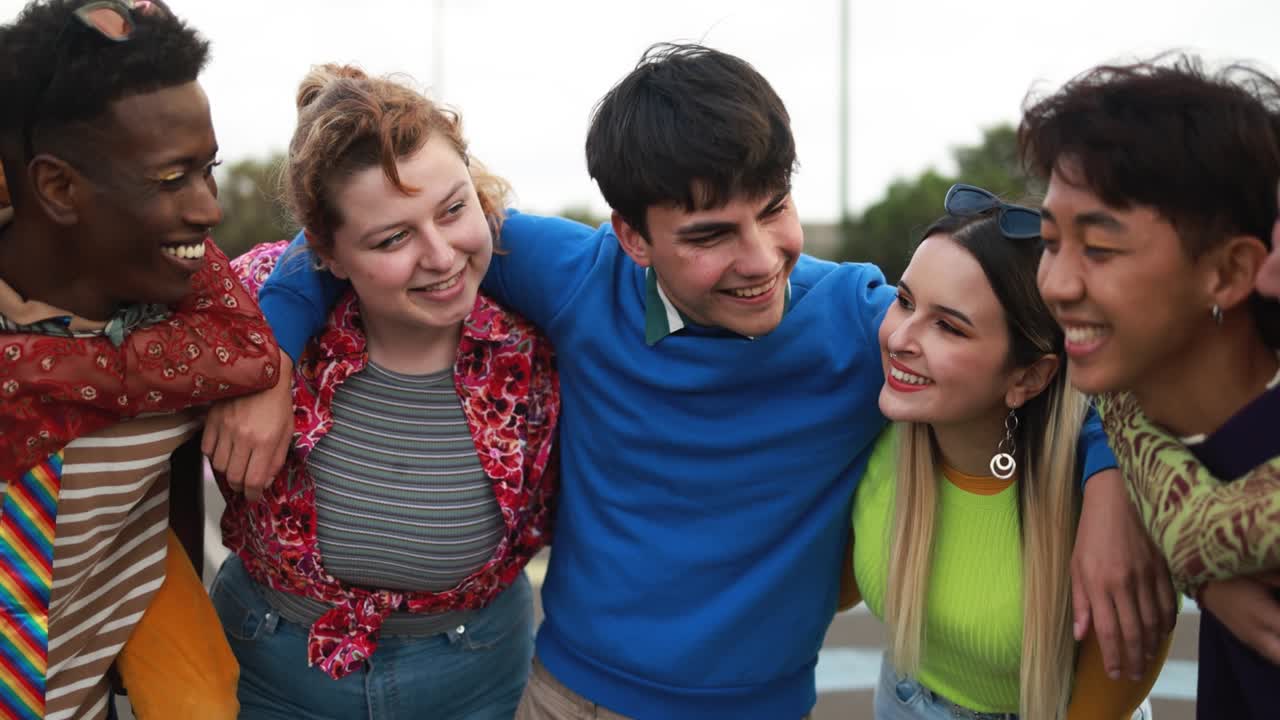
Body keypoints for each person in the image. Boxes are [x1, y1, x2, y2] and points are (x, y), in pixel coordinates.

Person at [212, 44, 1159, 719]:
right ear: (633, 237)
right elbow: (341, 237)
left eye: (774, 209)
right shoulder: (574, 276)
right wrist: (271, 361)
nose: (761, 259)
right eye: (710, 236)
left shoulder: (864, 321)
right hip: (564, 697)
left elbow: (1044, 351)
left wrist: (1111, 481)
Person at [208, 64, 559, 719]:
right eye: (392, 237)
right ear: (326, 253)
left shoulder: (544, 336)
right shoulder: (250, 307)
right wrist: (263, 364)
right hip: (269, 672)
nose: (441, 256)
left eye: (453, 209)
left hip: (477, 678)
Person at [0, 1, 282, 717]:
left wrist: (51, 372)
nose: (210, 209)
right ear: (56, 188)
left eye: (208, 170)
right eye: (170, 178)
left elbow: (249, 350)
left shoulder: (190, 341)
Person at [1022, 55, 1280, 718]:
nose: (1056, 285)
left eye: (1100, 249)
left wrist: (1193, 552)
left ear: (1230, 273)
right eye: (1049, 241)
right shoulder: (1161, 416)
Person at [852, 186, 1164, 720]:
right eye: (904, 301)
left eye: (948, 326)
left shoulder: (1106, 507)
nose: (900, 338)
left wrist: (1118, 478)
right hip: (899, 698)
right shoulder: (879, 431)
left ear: (1029, 377)